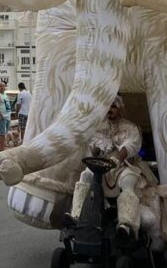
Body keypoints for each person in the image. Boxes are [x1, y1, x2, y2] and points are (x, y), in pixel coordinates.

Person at [65, 95, 153, 242]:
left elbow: (130, 147)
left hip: (125, 166)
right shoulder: (99, 127)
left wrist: (116, 159)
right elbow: (93, 151)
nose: (109, 110)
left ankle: (126, 223)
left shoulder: (130, 128)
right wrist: (95, 147)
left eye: (113, 106)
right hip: (102, 167)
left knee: (128, 181)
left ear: (120, 109)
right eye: (107, 107)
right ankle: (77, 215)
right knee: (86, 175)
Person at [0, 81, 12, 152]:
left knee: (4, 133)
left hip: (7, 116)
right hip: (2, 117)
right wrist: (1, 116)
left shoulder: (5, 94)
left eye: (3, 86)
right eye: (0, 86)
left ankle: (2, 147)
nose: (2, 87)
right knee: (2, 134)